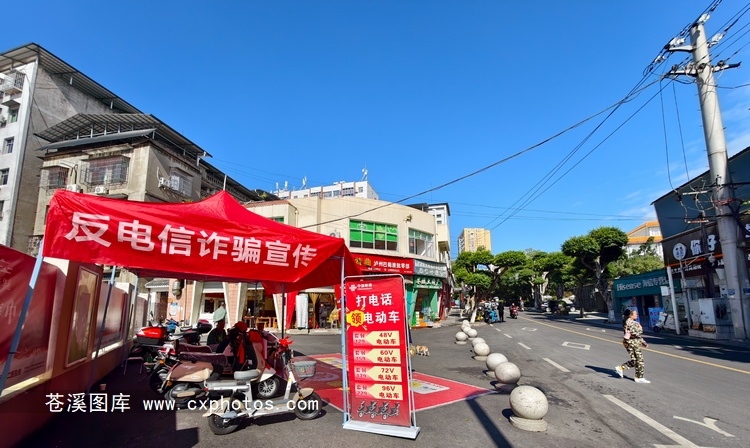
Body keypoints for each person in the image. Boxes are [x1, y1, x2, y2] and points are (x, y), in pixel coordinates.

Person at [615, 308, 650, 383]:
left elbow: (635, 335)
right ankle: (639, 377)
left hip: (632, 343)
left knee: (636, 360)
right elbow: (635, 333)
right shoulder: (631, 323)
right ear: (630, 315)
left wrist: (643, 342)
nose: (637, 314)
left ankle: (621, 368)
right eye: (635, 313)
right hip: (632, 343)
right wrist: (640, 329)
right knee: (639, 360)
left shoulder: (630, 322)